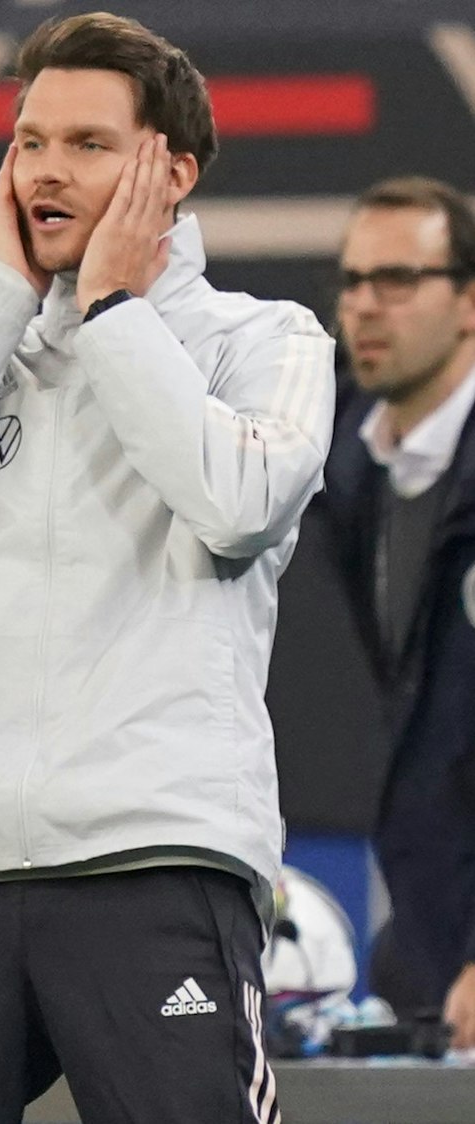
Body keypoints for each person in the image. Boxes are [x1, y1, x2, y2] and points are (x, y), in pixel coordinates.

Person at [0, 13, 334, 1122]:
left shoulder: (266, 340)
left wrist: (117, 313)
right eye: (29, 140)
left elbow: (235, 505)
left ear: (170, 171)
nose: (44, 170)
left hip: (155, 853)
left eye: (87, 144)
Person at [321, 176, 475, 1046]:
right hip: (425, 938)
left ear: (469, 303)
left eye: (399, 280)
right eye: (351, 281)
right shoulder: (340, 460)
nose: (365, 306)